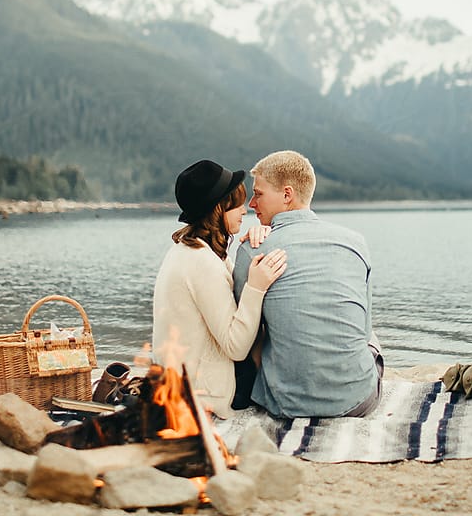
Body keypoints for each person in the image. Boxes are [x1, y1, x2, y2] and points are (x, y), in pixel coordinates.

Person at [232, 150, 383, 418]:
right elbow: (363, 329)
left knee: (263, 325)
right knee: (371, 337)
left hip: (286, 404)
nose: (252, 203)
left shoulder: (251, 250)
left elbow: (246, 338)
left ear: (287, 195)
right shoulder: (356, 242)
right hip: (358, 401)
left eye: (259, 194)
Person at [152, 159, 287, 416]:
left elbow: (230, 289)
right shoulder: (200, 261)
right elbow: (236, 347)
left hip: (183, 382)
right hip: (204, 393)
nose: (245, 210)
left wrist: (255, 239)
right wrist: (256, 287)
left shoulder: (194, 248)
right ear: (218, 208)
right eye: (236, 204)